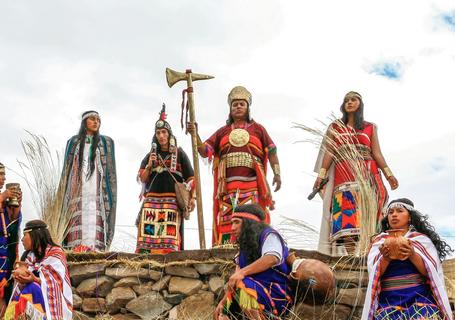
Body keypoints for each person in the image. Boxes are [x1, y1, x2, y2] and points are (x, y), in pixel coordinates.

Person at [188, 86, 282, 246]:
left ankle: (251, 250)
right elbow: (205, 150)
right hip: (227, 186)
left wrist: (277, 174)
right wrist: (195, 134)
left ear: (248, 108)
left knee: (250, 220)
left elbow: (272, 151)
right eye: (235, 104)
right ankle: (225, 252)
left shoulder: (258, 129)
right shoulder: (222, 132)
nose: (238, 107)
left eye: (241, 104)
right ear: (230, 109)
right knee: (228, 219)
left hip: (251, 183)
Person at [313, 91, 398, 255]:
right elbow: (329, 152)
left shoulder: (370, 127)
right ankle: (352, 256)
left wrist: (389, 174)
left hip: (368, 174)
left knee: (369, 215)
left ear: (360, 104)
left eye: (353, 100)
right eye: (346, 101)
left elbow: (377, 153)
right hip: (343, 174)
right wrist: (321, 175)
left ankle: (368, 254)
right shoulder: (335, 126)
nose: (349, 103)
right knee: (347, 217)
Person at [362, 198, 453, 320]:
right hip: (389, 300)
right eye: (391, 212)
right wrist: (386, 258)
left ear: (410, 217)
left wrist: (412, 254)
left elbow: (431, 272)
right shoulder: (379, 242)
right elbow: (374, 273)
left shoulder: (421, 240)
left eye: (399, 211)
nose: (394, 214)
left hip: (419, 298)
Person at [214, 204, 293, 319]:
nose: (232, 228)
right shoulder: (243, 250)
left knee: (244, 285)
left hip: (277, 295)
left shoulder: (269, 235)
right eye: (232, 223)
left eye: (236, 222)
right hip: (253, 293)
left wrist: (242, 273)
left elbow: (272, 257)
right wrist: (223, 302)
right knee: (222, 312)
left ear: (249, 223)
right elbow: (235, 280)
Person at [136, 104, 196, 254]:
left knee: (170, 239)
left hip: (172, 202)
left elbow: (192, 178)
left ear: (169, 134)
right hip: (151, 203)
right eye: (158, 133)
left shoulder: (180, 154)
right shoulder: (150, 155)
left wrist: (192, 198)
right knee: (147, 238)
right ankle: (146, 262)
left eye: (164, 132)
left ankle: (170, 261)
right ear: (155, 136)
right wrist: (150, 165)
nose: (161, 136)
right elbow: (142, 178)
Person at [61, 110, 117, 252]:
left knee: (94, 214)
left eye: (98, 120)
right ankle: (75, 249)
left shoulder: (105, 143)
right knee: (78, 213)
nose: (96, 122)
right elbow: (66, 171)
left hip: (96, 190)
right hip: (77, 190)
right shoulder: (74, 142)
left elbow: (110, 171)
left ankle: (95, 250)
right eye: (92, 119)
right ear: (84, 122)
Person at [5, 220, 72, 320]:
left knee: (33, 288)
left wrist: (34, 280)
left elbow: (57, 285)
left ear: (34, 235)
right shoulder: (28, 257)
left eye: (25, 235)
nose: (22, 239)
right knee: (29, 289)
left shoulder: (56, 253)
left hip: (54, 302)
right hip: (34, 299)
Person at [0, 162, 22, 315]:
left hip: (5, 255)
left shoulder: (3, 201)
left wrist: (16, 206)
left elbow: (12, 226)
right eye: (1, 174)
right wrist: (2, 197)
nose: (4, 177)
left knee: (4, 292)